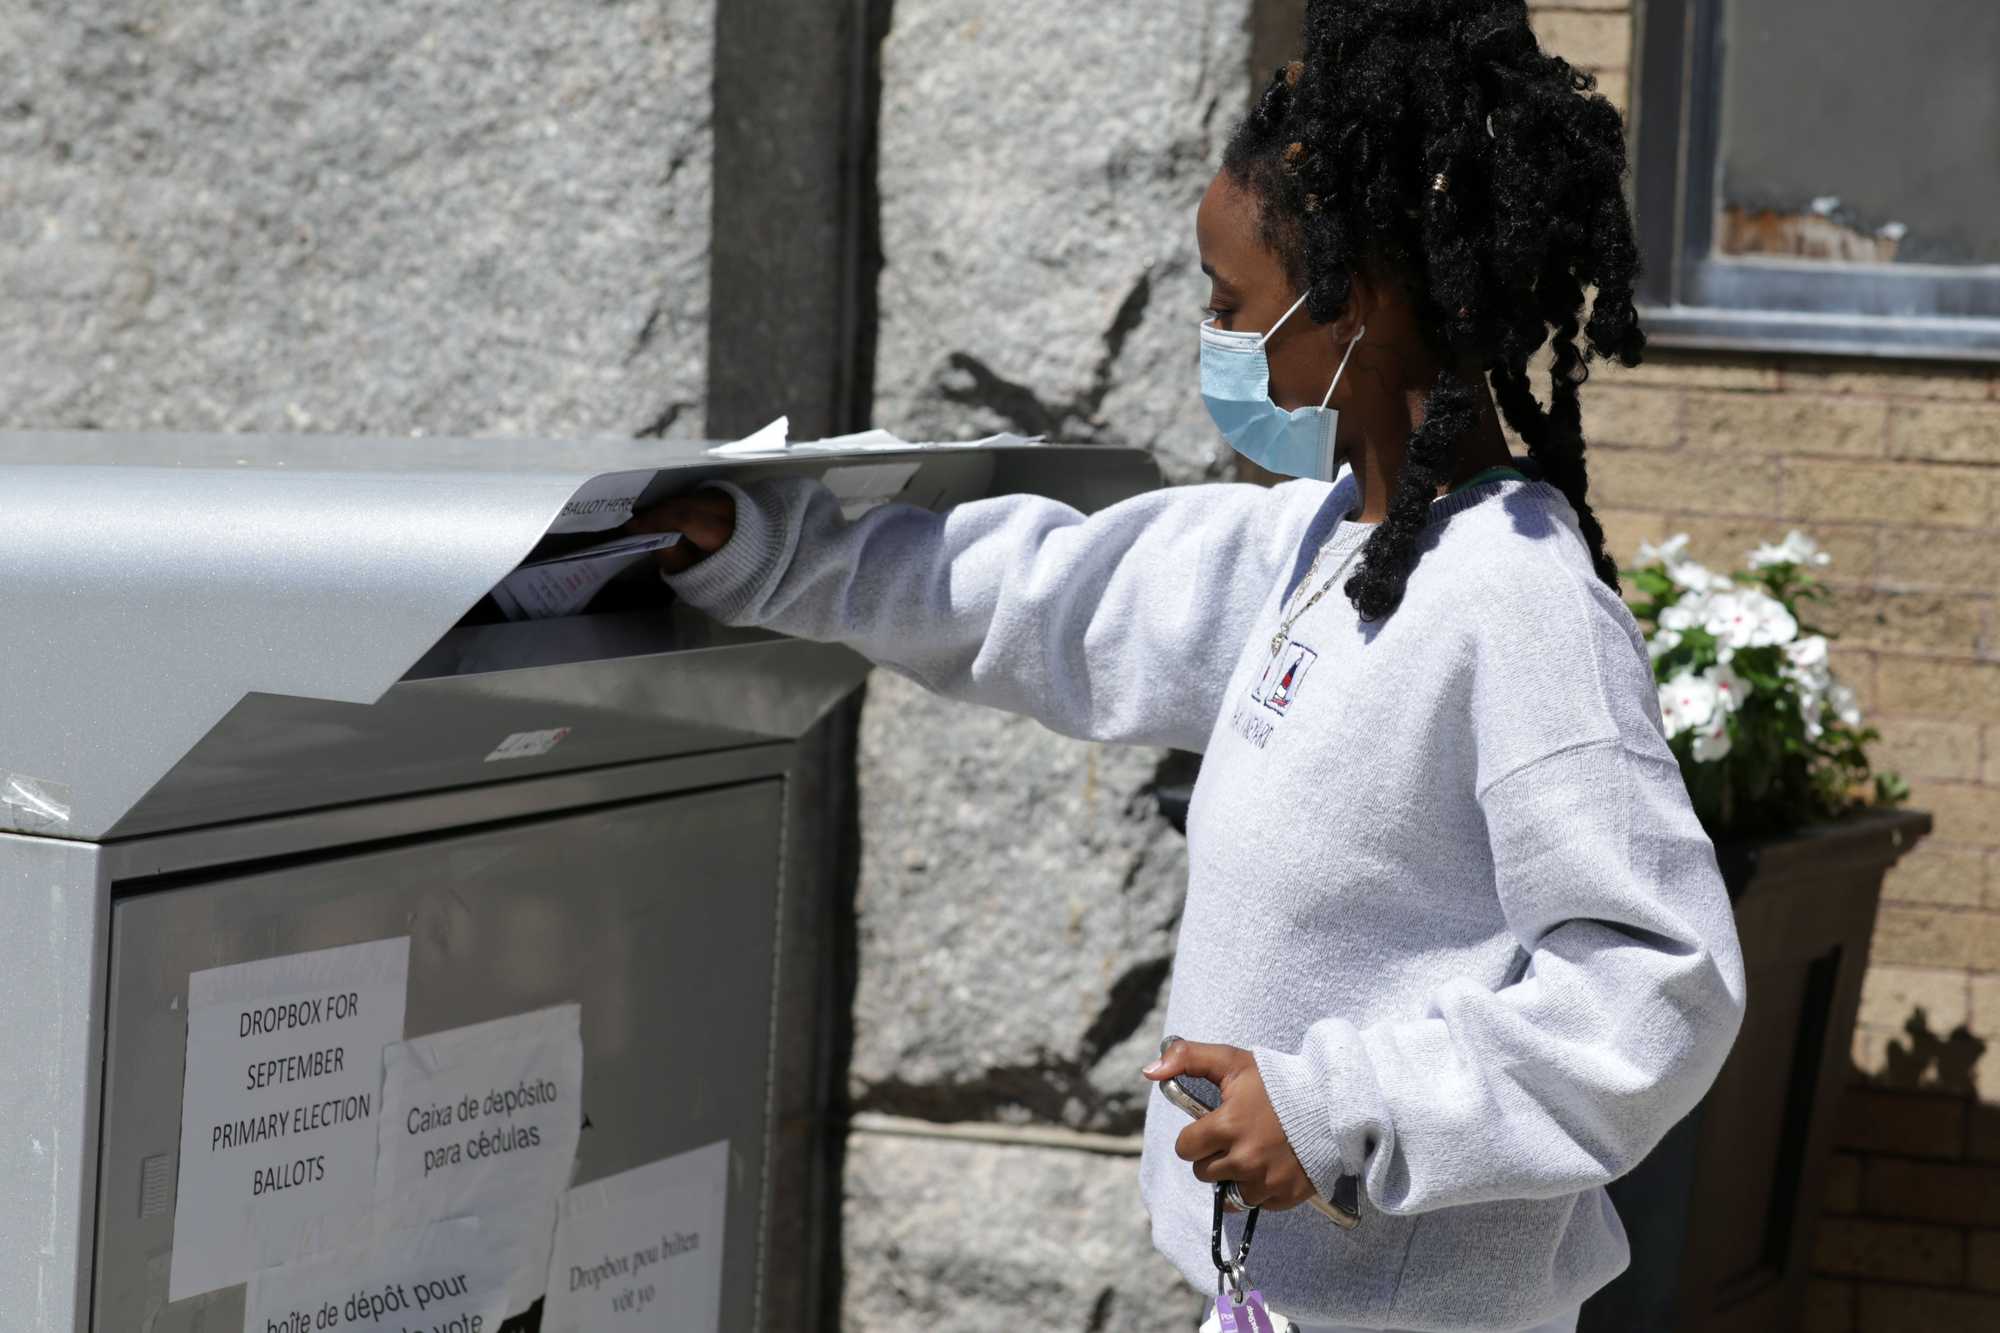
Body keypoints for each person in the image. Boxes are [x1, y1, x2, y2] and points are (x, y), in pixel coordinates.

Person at [633, 2, 1745, 1329]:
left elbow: (1656, 984)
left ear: (1357, 305)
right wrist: (759, 551)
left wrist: (1340, 1108)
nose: (1215, 347)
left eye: (1233, 307)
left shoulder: (1516, 600)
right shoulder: (1316, 544)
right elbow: (1038, 596)